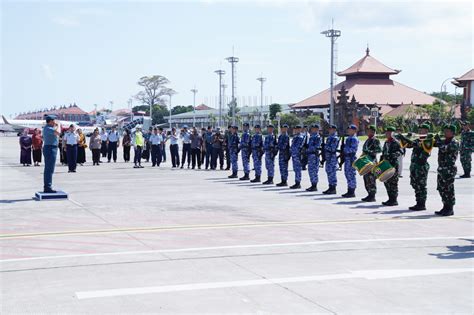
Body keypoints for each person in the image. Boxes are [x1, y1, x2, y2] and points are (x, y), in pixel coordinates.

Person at [396, 123, 433, 211]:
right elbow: (408, 145)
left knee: (421, 185)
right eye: (419, 130)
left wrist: (405, 138)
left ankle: (422, 204)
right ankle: (418, 202)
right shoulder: (418, 139)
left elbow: (417, 145)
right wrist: (402, 139)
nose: (420, 132)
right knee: (415, 184)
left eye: (422, 130)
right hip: (414, 166)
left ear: (426, 131)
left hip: (421, 166)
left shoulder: (428, 140)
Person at [434, 124, 460, 216]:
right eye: (445, 131)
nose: (445, 132)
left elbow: (445, 149)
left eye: (448, 131)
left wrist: (438, 141)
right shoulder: (444, 141)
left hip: (449, 169)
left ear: (453, 132)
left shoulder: (454, 142)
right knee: (441, 188)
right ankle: (445, 206)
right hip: (441, 168)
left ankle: (450, 208)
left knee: (448, 189)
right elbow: (435, 144)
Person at [380, 126, 402, 206]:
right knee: (387, 182)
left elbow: (400, 152)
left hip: (393, 165)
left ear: (393, 133)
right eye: (386, 132)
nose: (387, 134)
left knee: (393, 183)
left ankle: (394, 199)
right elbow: (383, 153)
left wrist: (392, 155)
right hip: (386, 165)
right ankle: (390, 198)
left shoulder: (396, 142)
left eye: (389, 132)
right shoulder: (386, 142)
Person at [360, 125, 381, 202]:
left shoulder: (375, 140)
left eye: (369, 130)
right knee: (366, 178)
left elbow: (379, 150)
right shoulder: (367, 140)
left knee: (371, 179)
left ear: (373, 131)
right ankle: (369, 194)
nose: (367, 131)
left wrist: (369, 152)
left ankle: (372, 195)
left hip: (372, 162)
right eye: (367, 130)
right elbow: (364, 151)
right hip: (366, 162)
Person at [42, 115, 60, 193]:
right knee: (49, 169)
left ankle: (48, 186)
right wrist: (58, 125)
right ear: (50, 121)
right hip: (50, 148)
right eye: (53, 121)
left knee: (50, 168)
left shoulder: (50, 128)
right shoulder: (48, 128)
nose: (55, 122)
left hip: (52, 148)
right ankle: (47, 187)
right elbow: (58, 133)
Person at [341, 125, 359, 198]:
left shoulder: (354, 139)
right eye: (348, 129)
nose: (348, 130)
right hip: (347, 158)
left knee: (351, 174)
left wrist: (345, 149)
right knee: (347, 174)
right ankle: (349, 190)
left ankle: (352, 191)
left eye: (350, 129)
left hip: (351, 158)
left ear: (354, 131)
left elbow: (353, 149)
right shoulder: (348, 138)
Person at [322, 125, 339, 194]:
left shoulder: (335, 138)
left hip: (332, 158)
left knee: (332, 173)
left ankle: (333, 188)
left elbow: (332, 148)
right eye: (329, 129)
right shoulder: (329, 138)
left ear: (334, 130)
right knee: (328, 172)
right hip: (328, 158)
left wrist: (325, 146)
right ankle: (330, 187)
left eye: (331, 129)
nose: (330, 130)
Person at [306, 124, 322, 191]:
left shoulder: (317, 137)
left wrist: (309, 148)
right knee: (310, 170)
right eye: (312, 128)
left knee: (314, 171)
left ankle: (314, 185)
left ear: (317, 129)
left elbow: (317, 147)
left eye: (315, 128)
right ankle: (312, 184)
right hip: (310, 156)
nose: (313, 130)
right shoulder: (311, 137)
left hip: (314, 156)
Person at [290, 125, 305, 189]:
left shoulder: (300, 137)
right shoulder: (296, 137)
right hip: (294, 155)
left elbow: (297, 147)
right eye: (295, 129)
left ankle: (298, 183)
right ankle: (296, 182)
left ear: (300, 130)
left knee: (298, 169)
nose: (296, 130)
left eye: (297, 129)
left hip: (298, 155)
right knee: (296, 169)